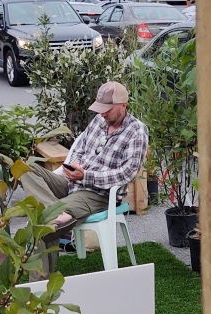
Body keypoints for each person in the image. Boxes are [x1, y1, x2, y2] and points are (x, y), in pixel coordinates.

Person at [21, 81, 148, 239]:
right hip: (72, 182)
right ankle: (54, 212)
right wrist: (73, 166)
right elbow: (79, 149)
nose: (102, 113)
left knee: (42, 225)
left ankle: (55, 216)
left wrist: (86, 176)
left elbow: (126, 174)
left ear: (123, 104)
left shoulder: (136, 131)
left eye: (107, 109)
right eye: (100, 108)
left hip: (99, 194)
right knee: (25, 168)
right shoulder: (98, 120)